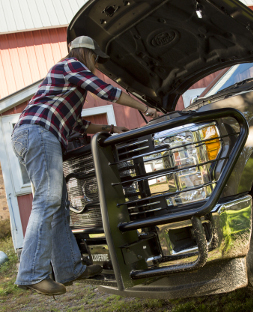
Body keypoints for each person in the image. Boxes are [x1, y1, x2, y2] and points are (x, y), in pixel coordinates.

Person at [11, 36, 159, 296]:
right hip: (38, 133)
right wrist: (144, 108)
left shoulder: (67, 84)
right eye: (96, 59)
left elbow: (76, 125)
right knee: (48, 200)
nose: (97, 64)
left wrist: (110, 128)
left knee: (57, 205)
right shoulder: (70, 65)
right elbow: (106, 91)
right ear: (86, 53)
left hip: (37, 134)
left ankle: (70, 268)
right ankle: (32, 272)